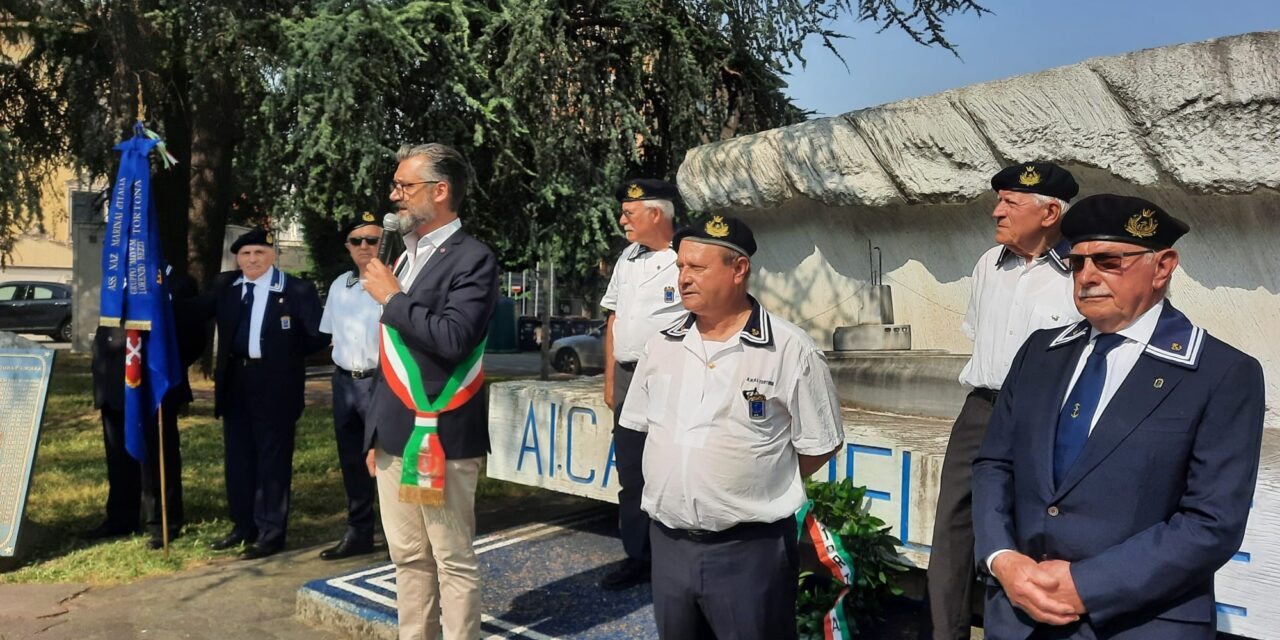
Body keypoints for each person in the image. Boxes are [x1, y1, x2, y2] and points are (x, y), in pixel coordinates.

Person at [972, 194, 1265, 639]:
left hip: (1140, 623)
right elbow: (995, 464)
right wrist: (1001, 558)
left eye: (1108, 261)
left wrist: (1086, 585)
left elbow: (1211, 522)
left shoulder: (1220, 374)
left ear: (1163, 266)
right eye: (1077, 264)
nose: (1087, 277)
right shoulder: (1039, 353)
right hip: (1020, 615)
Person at [618, 215, 844, 640]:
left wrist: (753, 482)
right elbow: (642, 429)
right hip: (669, 548)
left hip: (749, 554)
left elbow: (819, 444)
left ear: (739, 270)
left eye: (698, 268)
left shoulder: (789, 349)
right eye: (681, 267)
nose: (684, 278)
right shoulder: (661, 345)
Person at [926, 162, 1083, 639]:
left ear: (1050, 212)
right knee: (952, 530)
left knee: (1031, 530)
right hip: (981, 409)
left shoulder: (1079, 270)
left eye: (1011, 203)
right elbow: (979, 335)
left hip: (1048, 417)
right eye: (998, 200)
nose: (997, 212)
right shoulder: (987, 266)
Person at [360, 143, 498, 640]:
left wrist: (391, 297)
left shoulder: (473, 259)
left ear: (440, 192)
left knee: (451, 559)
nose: (394, 195)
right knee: (407, 557)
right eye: (396, 186)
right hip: (396, 434)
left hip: (443, 435)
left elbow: (453, 339)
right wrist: (374, 434)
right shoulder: (405, 255)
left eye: (405, 186)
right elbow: (390, 357)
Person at [198, 228, 327, 559]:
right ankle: (243, 526)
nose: (252, 259)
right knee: (239, 459)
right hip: (236, 382)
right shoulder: (228, 289)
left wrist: (286, 353)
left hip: (275, 384)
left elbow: (317, 336)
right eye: (245, 254)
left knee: (272, 460)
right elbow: (194, 310)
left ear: (273, 256)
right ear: (237, 259)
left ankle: (271, 532)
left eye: (259, 253)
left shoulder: (296, 290)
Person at [598, 178, 686, 590]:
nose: (622, 220)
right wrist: (611, 378)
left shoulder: (686, 256)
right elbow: (613, 318)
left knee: (675, 467)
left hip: (674, 378)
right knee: (631, 471)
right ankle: (639, 557)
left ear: (656, 214)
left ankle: (677, 555)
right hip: (630, 376)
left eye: (629, 213)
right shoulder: (628, 258)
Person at [86, 266, 204, 549]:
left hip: (156, 384)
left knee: (158, 456)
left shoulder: (178, 282)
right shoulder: (115, 280)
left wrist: (166, 371)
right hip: (116, 384)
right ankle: (121, 517)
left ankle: (162, 521)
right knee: (118, 454)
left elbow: (192, 337)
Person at [317, 212, 386, 560]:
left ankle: (395, 537)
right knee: (352, 462)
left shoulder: (395, 283)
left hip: (381, 384)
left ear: (383, 244)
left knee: (387, 462)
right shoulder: (339, 285)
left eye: (372, 240)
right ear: (348, 247)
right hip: (345, 383)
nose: (364, 247)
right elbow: (331, 335)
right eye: (357, 241)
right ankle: (359, 532)